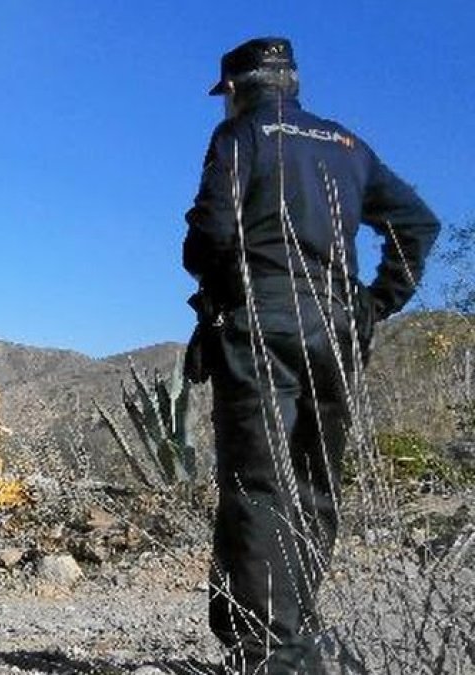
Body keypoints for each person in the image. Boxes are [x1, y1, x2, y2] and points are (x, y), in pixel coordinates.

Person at [183, 38, 440, 673]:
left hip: (261, 321)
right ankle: (293, 631)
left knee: (259, 484)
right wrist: (376, 303)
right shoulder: (346, 145)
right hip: (336, 326)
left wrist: (215, 289)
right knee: (314, 484)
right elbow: (418, 224)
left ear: (238, 90)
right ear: (291, 83)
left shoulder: (239, 137)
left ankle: (273, 653)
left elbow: (213, 234)